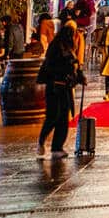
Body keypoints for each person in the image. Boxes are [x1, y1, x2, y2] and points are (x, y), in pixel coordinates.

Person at [37, 23, 84, 157]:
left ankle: (57, 147)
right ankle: (42, 140)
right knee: (53, 116)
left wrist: (78, 76)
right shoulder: (57, 46)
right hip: (55, 86)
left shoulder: (68, 47)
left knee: (63, 117)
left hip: (65, 86)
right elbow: (52, 65)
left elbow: (74, 65)